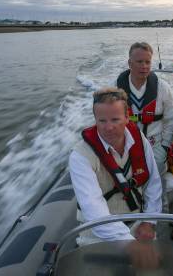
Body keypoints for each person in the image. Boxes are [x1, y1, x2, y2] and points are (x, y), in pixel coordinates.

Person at [68, 87, 162, 246]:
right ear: (95, 119)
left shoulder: (139, 140)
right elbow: (94, 210)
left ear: (127, 117)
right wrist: (130, 244)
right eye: (102, 121)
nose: (108, 127)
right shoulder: (80, 156)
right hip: (97, 233)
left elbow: (153, 182)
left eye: (115, 120)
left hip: (137, 223)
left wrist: (149, 222)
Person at [116, 42, 173, 203]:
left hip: (155, 143)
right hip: (126, 143)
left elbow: (171, 118)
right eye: (139, 62)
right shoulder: (116, 89)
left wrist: (165, 146)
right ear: (130, 63)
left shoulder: (162, 88)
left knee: (158, 186)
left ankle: (159, 214)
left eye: (147, 62)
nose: (144, 66)